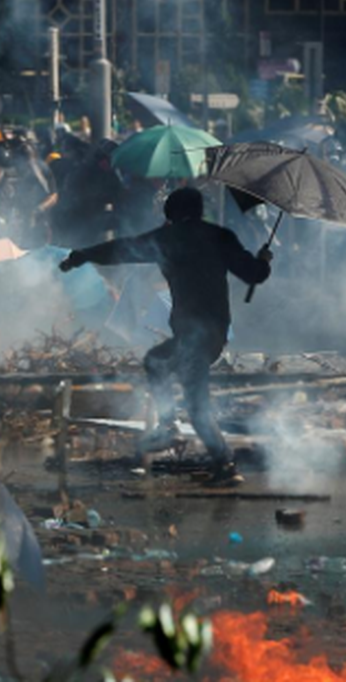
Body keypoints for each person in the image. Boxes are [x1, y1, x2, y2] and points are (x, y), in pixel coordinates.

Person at [60, 188, 272, 485]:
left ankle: (175, 430)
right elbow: (254, 275)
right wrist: (263, 260)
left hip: (192, 335)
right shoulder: (220, 236)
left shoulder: (167, 239)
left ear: (171, 214)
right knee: (176, 382)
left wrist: (82, 255)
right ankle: (216, 459)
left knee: (168, 375)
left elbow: (120, 249)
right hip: (214, 334)